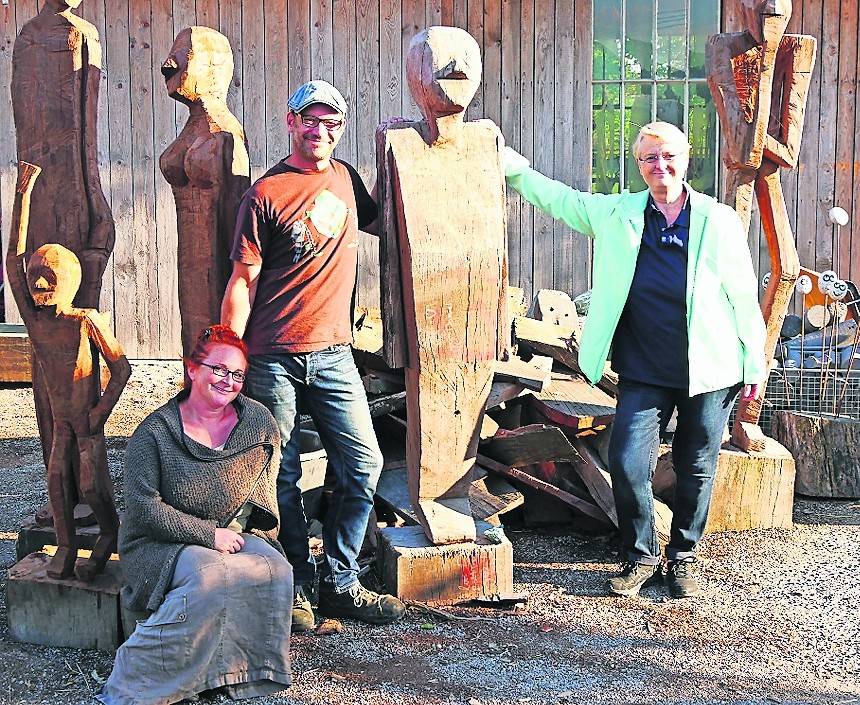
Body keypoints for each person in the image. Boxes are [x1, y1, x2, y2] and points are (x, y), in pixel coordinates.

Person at [503, 121, 766, 598]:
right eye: (649, 158)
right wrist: (509, 165)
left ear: (686, 160)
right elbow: (559, 199)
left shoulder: (717, 219)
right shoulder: (618, 213)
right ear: (638, 164)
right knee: (626, 461)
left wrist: (754, 366)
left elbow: (743, 296)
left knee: (697, 464)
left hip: (711, 368)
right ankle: (640, 553)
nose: (659, 166)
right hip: (644, 368)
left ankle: (683, 554)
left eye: (668, 156)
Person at [221, 80, 405, 628]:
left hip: (334, 354)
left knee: (364, 463)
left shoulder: (348, 180)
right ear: (291, 121)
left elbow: (385, 219)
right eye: (311, 119)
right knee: (278, 472)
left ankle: (341, 581)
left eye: (332, 122)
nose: (320, 130)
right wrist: (228, 353)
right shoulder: (267, 192)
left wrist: (404, 151)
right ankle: (297, 578)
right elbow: (242, 279)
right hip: (271, 354)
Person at [98, 325, 292, 704]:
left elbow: (262, 491)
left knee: (276, 570)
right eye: (218, 369)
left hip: (229, 530)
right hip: (157, 541)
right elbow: (143, 509)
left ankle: (237, 674)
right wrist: (209, 536)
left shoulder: (257, 422)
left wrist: (240, 532)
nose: (228, 380)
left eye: (237, 374)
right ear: (192, 369)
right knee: (211, 578)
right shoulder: (155, 432)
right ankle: (134, 684)